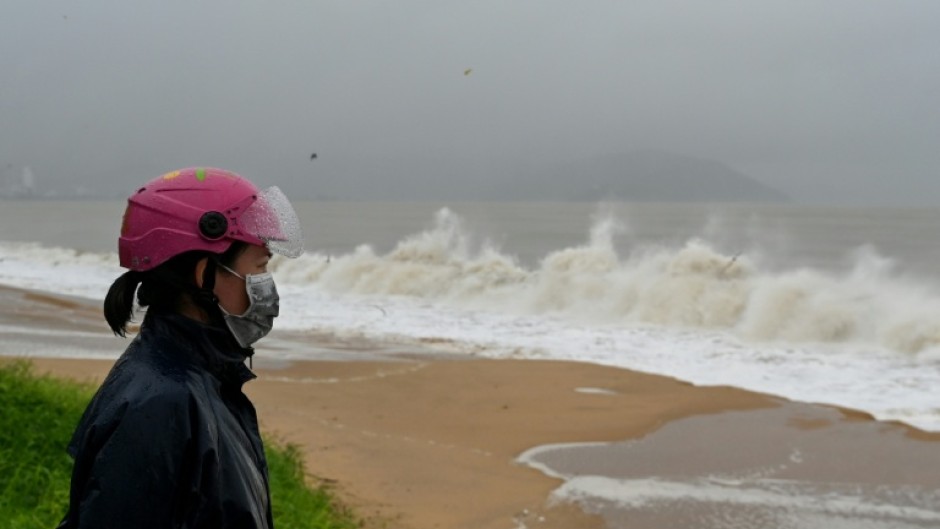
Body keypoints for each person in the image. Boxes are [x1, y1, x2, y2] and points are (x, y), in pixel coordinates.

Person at [57, 167, 304, 528]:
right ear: (203, 273)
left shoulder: (200, 377)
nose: (266, 286)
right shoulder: (160, 406)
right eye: (260, 266)